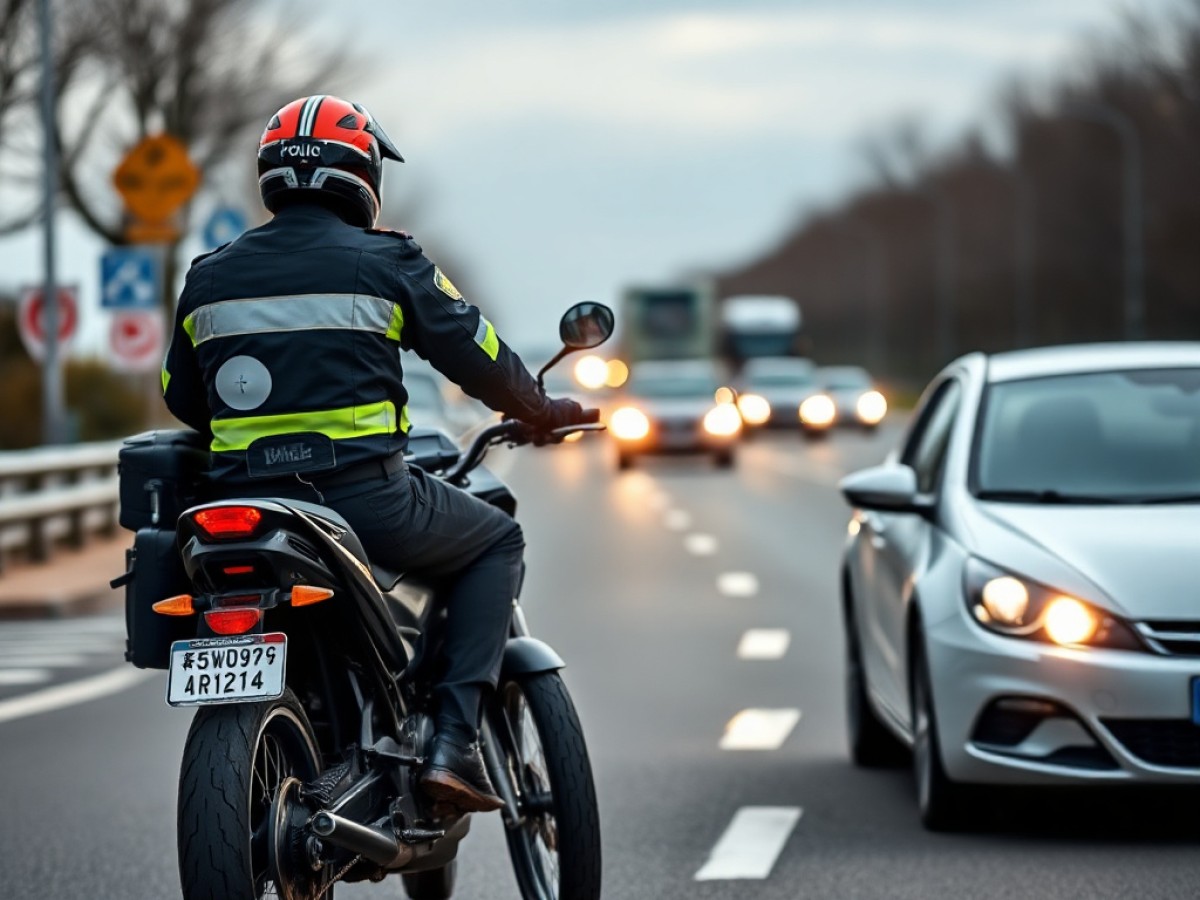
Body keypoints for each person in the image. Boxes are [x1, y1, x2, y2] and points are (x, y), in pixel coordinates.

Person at [161, 95, 595, 813]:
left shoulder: (209, 275)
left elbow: (182, 395)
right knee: (496, 541)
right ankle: (452, 743)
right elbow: (476, 352)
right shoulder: (387, 260)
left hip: (241, 507)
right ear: (361, 174)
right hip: (362, 501)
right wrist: (540, 409)